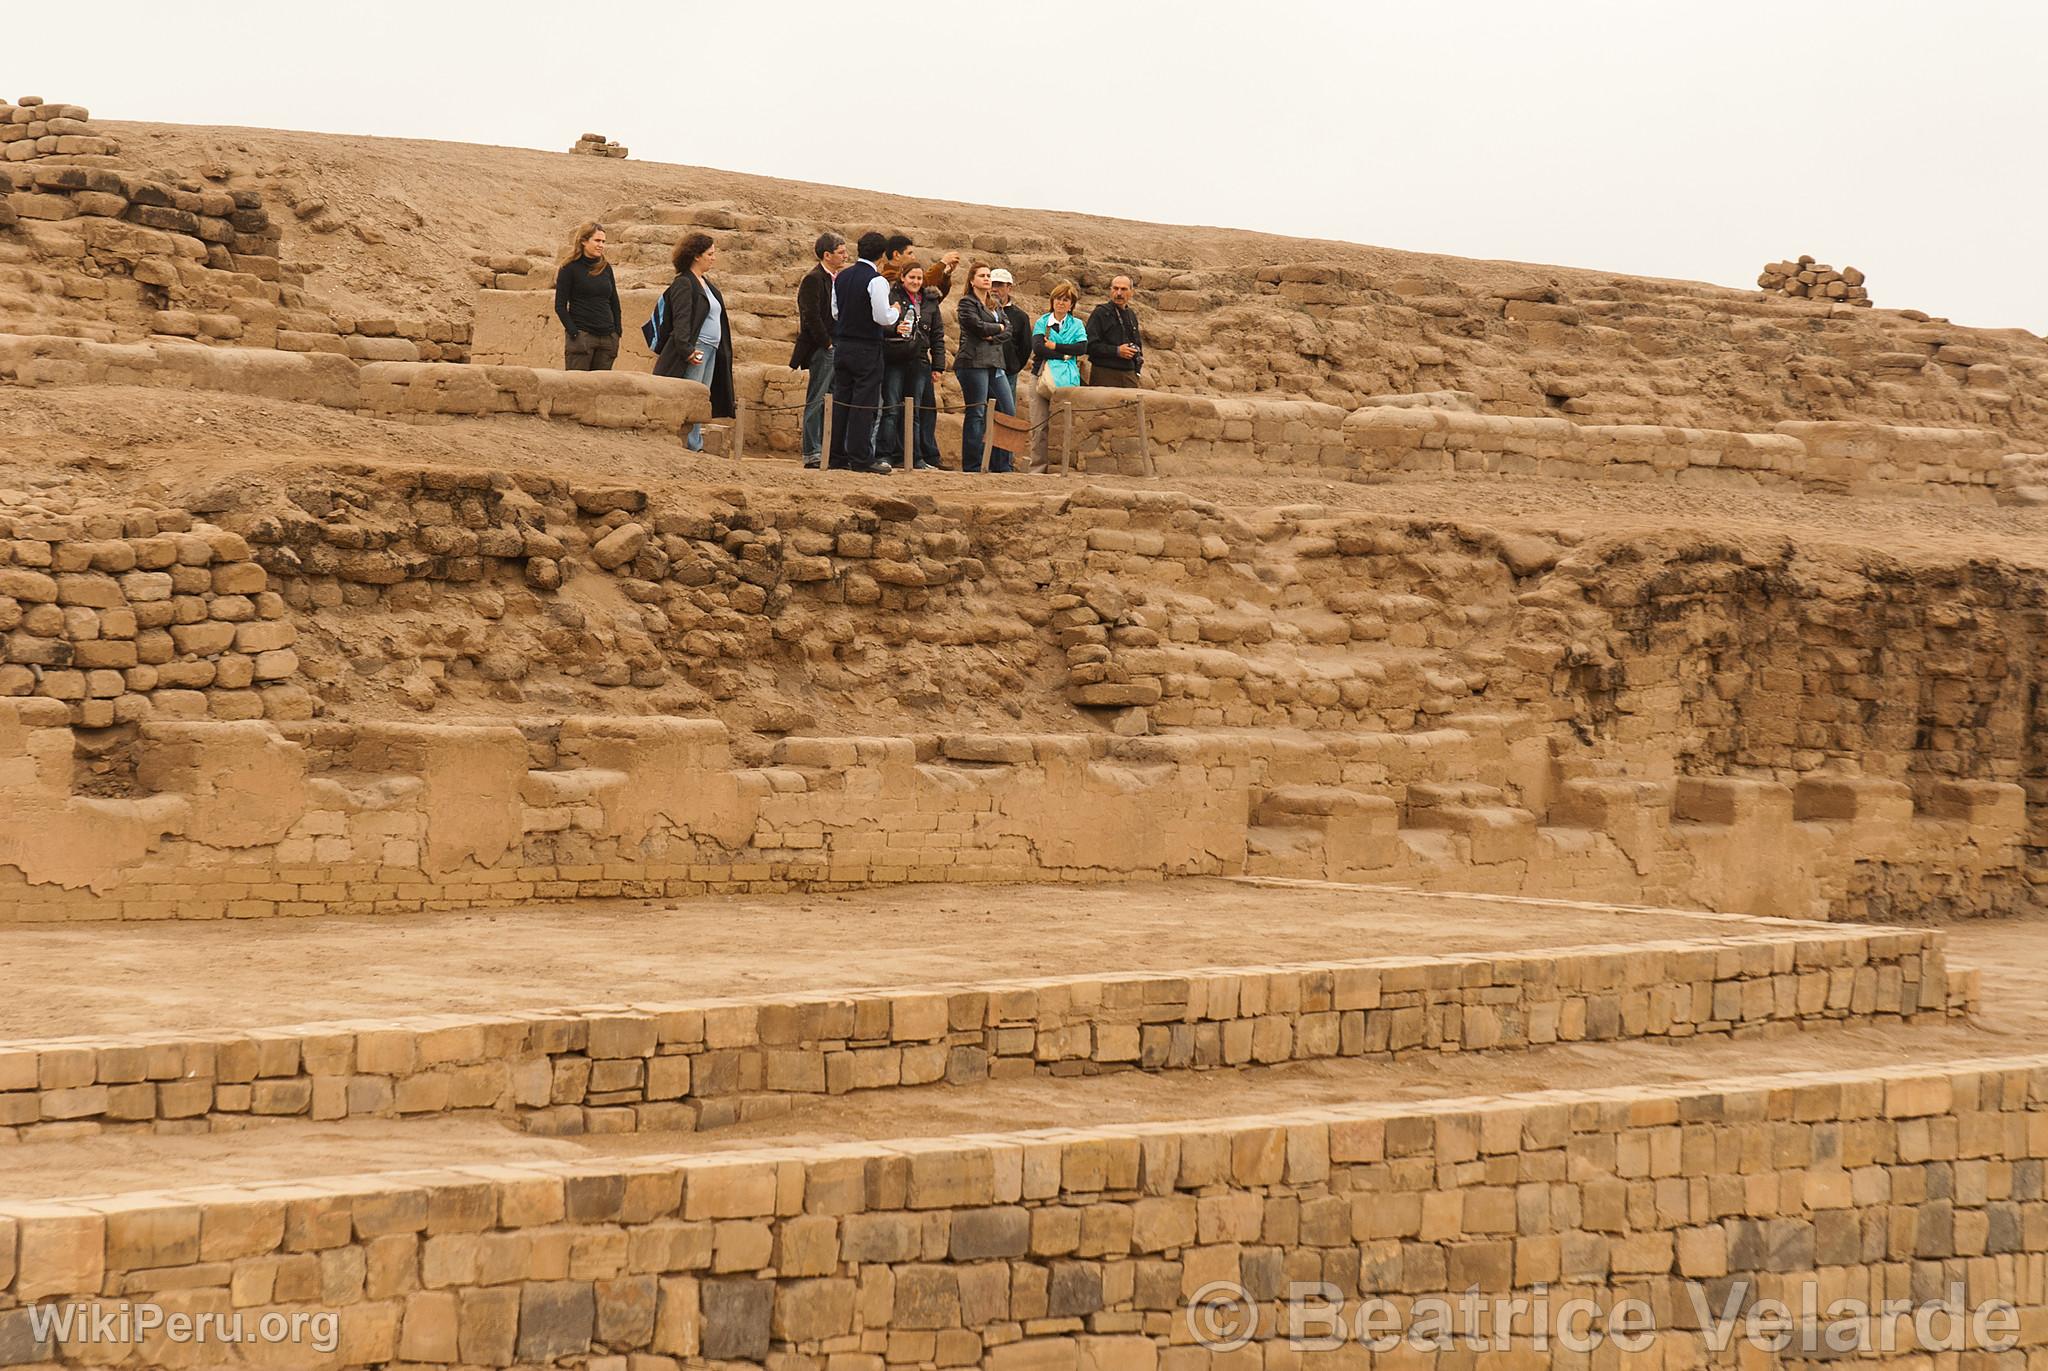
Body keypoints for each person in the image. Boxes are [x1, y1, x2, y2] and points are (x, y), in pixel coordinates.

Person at [651, 232, 735, 451]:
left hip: (711, 349)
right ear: (696, 256)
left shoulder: (706, 284)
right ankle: (687, 443)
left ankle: (694, 444)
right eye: (710, 254)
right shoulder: (684, 283)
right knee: (690, 396)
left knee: (701, 399)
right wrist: (687, 350)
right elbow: (682, 319)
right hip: (696, 349)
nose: (713, 258)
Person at [828, 230, 901, 474]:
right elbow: (882, 317)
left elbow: (835, 312)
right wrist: (895, 310)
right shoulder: (876, 280)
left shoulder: (842, 276)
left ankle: (836, 455)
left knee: (842, 399)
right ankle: (860, 457)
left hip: (843, 345)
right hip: (867, 346)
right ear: (882, 255)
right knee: (863, 403)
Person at [880, 261, 945, 471]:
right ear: (902, 277)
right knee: (891, 408)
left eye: (919, 278)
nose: (915, 282)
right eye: (912, 277)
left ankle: (914, 456)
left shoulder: (930, 301)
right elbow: (881, 323)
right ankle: (885, 454)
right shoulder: (891, 296)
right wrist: (894, 328)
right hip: (895, 358)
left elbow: (937, 335)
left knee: (915, 410)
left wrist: (938, 366)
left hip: (920, 359)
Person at [954, 263, 1017, 474]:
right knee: (977, 412)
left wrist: (994, 334)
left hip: (995, 362)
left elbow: (1009, 330)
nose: (987, 279)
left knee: (1007, 411)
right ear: (972, 280)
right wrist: (997, 328)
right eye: (982, 275)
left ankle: (1002, 464)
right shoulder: (966, 302)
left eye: (988, 275)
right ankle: (973, 465)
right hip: (973, 362)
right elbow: (977, 326)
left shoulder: (994, 303)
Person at [791, 231, 847, 469]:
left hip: (837, 345)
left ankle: (827, 450)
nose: (845, 256)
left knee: (832, 400)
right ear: (827, 255)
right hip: (822, 348)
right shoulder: (813, 279)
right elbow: (810, 316)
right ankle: (812, 452)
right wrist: (827, 343)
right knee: (817, 399)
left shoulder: (837, 279)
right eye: (841, 252)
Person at [1028, 281, 1088, 472]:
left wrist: (1054, 346)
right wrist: (1064, 355)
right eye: (1058, 299)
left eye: (1066, 300)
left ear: (1071, 304)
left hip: (1067, 378)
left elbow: (1081, 348)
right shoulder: (1043, 322)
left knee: (1067, 423)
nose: (1061, 303)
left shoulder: (1077, 324)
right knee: (1039, 424)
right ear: (1052, 301)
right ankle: (1037, 468)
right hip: (1042, 375)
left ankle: (1065, 467)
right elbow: (1038, 348)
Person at [554, 222, 621, 371]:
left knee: (603, 384)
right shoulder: (569, 268)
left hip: (607, 339)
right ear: (584, 241)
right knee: (577, 384)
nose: (601, 245)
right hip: (582, 336)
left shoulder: (605, 267)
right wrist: (574, 332)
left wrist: (617, 332)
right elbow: (560, 306)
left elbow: (614, 302)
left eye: (603, 241)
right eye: (597, 240)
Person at [1086, 274, 1146, 387]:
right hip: (1104, 372)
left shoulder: (1131, 314)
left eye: (1123, 289)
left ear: (1132, 292)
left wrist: (1137, 369)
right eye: (1115, 288)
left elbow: (1138, 345)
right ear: (1110, 290)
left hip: (1129, 374)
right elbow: (1089, 346)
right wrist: (1117, 351)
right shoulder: (1100, 313)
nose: (1119, 293)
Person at [990, 269, 1032, 396]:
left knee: (1006, 407)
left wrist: (1014, 366)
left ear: (1009, 288)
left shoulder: (1020, 316)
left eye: (999, 285)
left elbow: (1025, 347)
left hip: (1008, 372)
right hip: (983, 370)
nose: (994, 289)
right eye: (992, 284)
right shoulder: (980, 311)